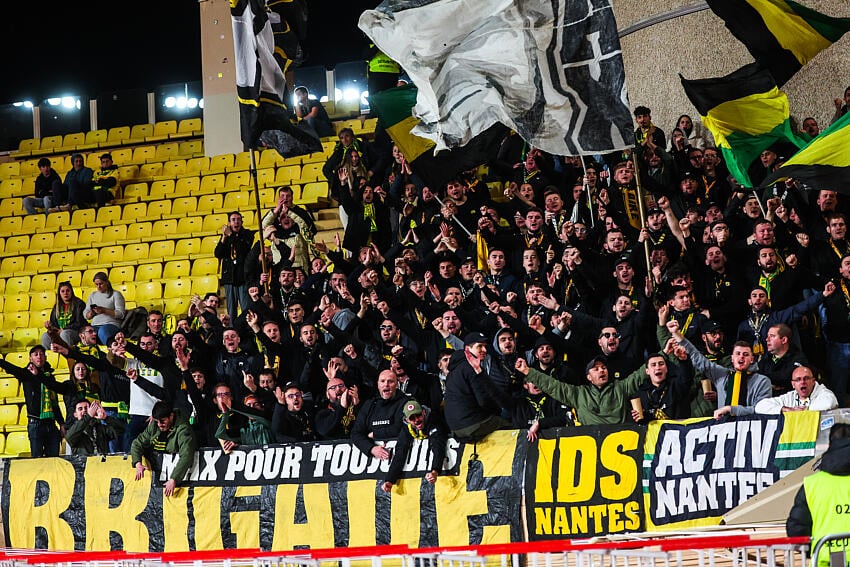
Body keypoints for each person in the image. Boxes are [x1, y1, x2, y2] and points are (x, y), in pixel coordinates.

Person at [787, 423, 850, 567]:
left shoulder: (812, 484)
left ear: (830, 445)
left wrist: (814, 550)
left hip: (826, 560)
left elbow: (796, 528)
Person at [0, 346, 63, 457]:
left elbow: (55, 403)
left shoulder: (50, 377)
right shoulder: (26, 375)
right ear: (30, 358)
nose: (39, 356)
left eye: (42, 354)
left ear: (46, 357)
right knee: (37, 461)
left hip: (51, 424)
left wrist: (61, 423)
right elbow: (10, 368)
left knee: (54, 460)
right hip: (36, 424)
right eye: (36, 354)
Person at [381, 399, 449, 493]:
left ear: (424, 412)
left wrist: (435, 471)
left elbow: (438, 446)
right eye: (412, 418)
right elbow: (400, 453)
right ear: (407, 420)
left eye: (418, 415)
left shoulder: (434, 420)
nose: (417, 420)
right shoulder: (407, 427)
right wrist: (389, 480)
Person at [130, 400, 197, 497]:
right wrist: (138, 463)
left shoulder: (183, 429)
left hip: (175, 479)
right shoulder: (154, 425)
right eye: (157, 421)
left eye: (163, 421)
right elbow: (137, 443)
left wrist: (174, 479)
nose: (159, 424)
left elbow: (186, 455)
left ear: (171, 416)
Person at [214, 211, 256, 321]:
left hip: (242, 277)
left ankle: (247, 331)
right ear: (229, 223)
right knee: (231, 311)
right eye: (233, 220)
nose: (236, 222)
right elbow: (218, 254)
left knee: (246, 308)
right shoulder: (227, 236)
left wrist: (230, 235)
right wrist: (223, 238)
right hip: (229, 278)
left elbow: (242, 249)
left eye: (238, 219)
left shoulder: (248, 234)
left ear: (242, 222)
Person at [752, 365, 839, 415]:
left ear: (813, 381)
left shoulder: (823, 392)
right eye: (798, 379)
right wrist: (785, 409)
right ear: (793, 384)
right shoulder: (790, 397)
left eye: (806, 378)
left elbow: (829, 403)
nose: (803, 382)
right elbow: (759, 406)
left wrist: (802, 411)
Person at [41, 281, 87, 351]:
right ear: (59, 293)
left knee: (64, 333)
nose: (65, 293)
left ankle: (70, 356)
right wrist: (50, 327)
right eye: (62, 291)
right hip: (60, 332)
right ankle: (52, 359)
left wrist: (64, 329)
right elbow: (54, 324)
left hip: (77, 332)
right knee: (45, 336)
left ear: (71, 292)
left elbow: (79, 323)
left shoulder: (79, 304)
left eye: (67, 291)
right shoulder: (56, 306)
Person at [84, 272, 126, 346]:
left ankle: (112, 348)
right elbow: (85, 314)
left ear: (106, 282)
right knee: (86, 333)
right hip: (95, 325)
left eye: (101, 284)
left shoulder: (115, 294)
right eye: (96, 284)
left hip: (111, 324)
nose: (98, 286)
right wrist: (91, 313)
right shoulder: (93, 295)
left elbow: (121, 314)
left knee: (103, 331)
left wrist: (104, 310)